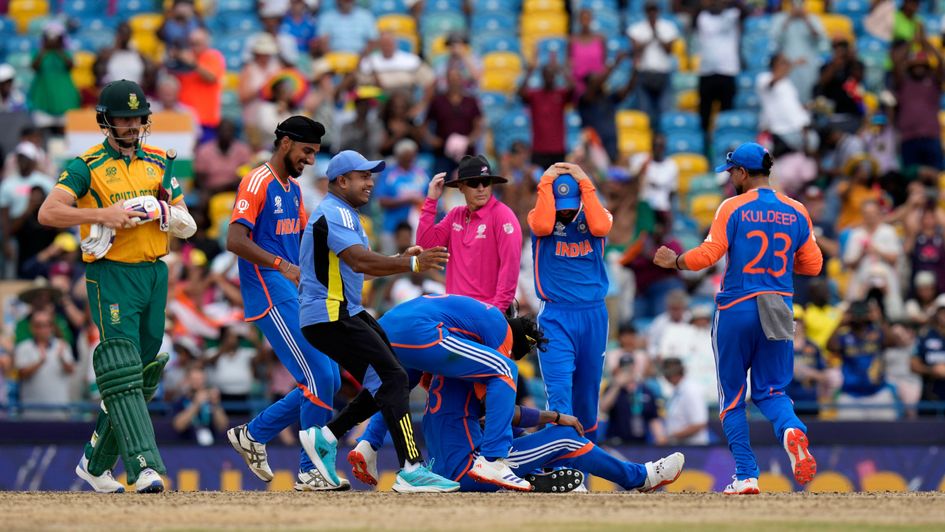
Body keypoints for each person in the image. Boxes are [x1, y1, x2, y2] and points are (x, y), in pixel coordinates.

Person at [38, 79, 197, 494]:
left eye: (136, 118)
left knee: (139, 375)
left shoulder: (159, 161)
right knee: (122, 367)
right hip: (111, 274)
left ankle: (94, 464)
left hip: (155, 272)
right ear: (105, 121)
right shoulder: (86, 165)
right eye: (122, 119)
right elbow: (48, 213)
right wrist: (102, 215)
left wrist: (164, 211)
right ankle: (144, 466)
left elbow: (186, 222)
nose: (130, 126)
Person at [653, 142, 823, 494]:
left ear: (743, 173)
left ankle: (746, 475)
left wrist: (675, 261)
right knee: (772, 391)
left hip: (737, 306)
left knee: (732, 397)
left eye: (732, 172)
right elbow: (813, 265)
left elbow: (708, 255)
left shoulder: (732, 206)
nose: (730, 178)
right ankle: (792, 429)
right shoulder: (797, 210)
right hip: (779, 305)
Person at [348, 324, 686, 493]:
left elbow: (494, 416)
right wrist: (555, 416)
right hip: (469, 469)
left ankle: (536, 476)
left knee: (514, 433)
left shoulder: (444, 361)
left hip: (440, 467)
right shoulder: (480, 365)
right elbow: (506, 413)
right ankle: (640, 477)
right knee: (565, 438)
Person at [295, 149, 456, 493]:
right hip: (332, 313)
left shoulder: (343, 213)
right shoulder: (335, 212)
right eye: (363, 176)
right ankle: (411, 468)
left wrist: (398, 258)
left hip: (341, 311)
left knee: (389, 379)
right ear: (342, 181)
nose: (370, 183)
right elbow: (360, 261)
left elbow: (355, 269)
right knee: (394, 377)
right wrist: (410, 264)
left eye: (371, 176)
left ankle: (327, 437)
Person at [223, 116, 346, 491]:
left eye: (315, 153)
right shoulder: (256, 181)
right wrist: (283, 265)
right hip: (268, 290)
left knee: (331, 376)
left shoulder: (293, 189)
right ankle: (310, 470)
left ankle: (254, 434)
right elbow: (234, 240)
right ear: (286, 143)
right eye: (307, 151)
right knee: (318, 376)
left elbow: (305, 242)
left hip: (294, 291)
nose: (310, 160)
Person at [350, 294, 553, 491]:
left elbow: (431, 379)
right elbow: (490, 404)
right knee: (506, 369)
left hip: (384, 328)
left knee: (399, 386)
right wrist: (548, 419)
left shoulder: (474, 319)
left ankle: (368, 444)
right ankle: (492, 459)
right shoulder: (502, 331)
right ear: (514, 344)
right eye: (512, 354)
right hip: (420, 330)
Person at [527, 163, 612, 444]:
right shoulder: (539, 217)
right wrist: (546, 181)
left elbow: (600, 226)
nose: (565, 212)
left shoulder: (597, 216)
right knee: (560, 392)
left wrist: (585, 181)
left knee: (587, 394)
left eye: (570, 205)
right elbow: (542, 225)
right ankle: (560, 461)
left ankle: (586, 460)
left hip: (593, 315)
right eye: (560, 205)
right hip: (556, 315)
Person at [418, 155, 522, 313]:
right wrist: (431, 200)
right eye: (474, 183)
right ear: (461, 187)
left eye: (485, 182)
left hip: (485, 313)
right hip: (454, 312)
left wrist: (495, 313)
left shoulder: (503, 216)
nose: (481, 188)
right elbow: (425, 246)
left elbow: (510, 270)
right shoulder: (455, 215)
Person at [828, 300, 898, 420]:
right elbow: (830, 346)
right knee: (846, 431)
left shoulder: (876, 333)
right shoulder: (845, 336)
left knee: (887, 431)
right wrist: (841, 322)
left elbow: (893, 342)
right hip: (851, 395)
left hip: (878, 393)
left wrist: (879, 319)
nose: (859, 315)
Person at [14, 309, 75, 420]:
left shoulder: (62, 345)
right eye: (38, 325)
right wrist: (39, 362)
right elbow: (21, 374)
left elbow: (71, 371)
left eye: (46, 325)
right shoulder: (23, 347)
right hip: (31, 414)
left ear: (52, 327)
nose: (43, 329)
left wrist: (62, 359)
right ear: (32, 328)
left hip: (59, 413)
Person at [627, 2, 679, 130]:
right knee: (644, 112)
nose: (652, 13)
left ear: (658, 11)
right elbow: (636, 51)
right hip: (644, 74)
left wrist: (656, 34)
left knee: (665, 111)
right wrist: (649, 37)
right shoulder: (637, 28)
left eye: (654, 10)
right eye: (649, 11)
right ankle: (647, 139)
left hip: (663, 73)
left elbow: (669, 50)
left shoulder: (668, 27)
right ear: (645, 12)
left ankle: (662, 138)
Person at [694, 0, 742, 137]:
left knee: (726, 115)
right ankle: (704, 143)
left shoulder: (732, 14)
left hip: (727, 71)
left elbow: (743, 10)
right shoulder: (702, 17)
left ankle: (725, 143)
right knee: (704, 115)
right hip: (706, 72)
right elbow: (696, 10)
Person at [424, 68, 483, 176]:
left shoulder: (471, 101)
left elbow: (478, 126)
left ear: (461, 80)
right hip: (443, 154)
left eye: (457, 78)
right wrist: (432, 140)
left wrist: (468, 141)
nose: (454, 81)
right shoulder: (438, 101)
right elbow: (424, 125)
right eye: (451, 79)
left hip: (467, 154)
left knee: (468, 182)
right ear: (447, 80)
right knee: (442, 182)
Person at [170, 28, 225, 143]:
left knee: (205, 150)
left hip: (206, 119)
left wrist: (192, 64)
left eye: (197, 44)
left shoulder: (213, 56)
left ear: (206, 43)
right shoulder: (185, 59)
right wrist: (173, 59)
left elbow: (211, 77)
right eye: (191, 43)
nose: (193, 47)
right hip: (184, 117)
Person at [519, 57, 574, 169]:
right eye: (546, 75)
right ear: (542, 76)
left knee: (558, 178)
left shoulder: (561, 94)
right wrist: (529, 73)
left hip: (557, 148)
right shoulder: (535, 95)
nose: (549, 78)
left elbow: (573, 89)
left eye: (551, 75)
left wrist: (562, 71)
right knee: (538, 178)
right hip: (539, 148)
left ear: (554, 76)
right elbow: (520, 93)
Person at [375, 139, 428, 253]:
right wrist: (407, 200)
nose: (410, 160)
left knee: (415, 262)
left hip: (416, 229)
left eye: (412, 156)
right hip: (391, 228)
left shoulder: (421, 173)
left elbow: (430, 198)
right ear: (398, 156)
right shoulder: (388, 174)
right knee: (389, 260)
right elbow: (382, 201)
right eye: (406, 157)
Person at [28, 21, 79, 134]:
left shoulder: (65, 54)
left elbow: (70, 65)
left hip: (63, 99)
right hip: (43, 99)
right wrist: (45, 49)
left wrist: (58, 49)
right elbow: (34, 67)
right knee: (41, 132)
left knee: (64, 132)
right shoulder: (38, 53)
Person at [600, 354, 661, 444]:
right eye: (624, 368)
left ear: (634, 368)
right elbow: (603, 407)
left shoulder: (645, 390)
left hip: (641, 442)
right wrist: (617, 385)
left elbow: (653, 417)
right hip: (616, 441)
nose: (627, 371)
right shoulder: (612, 388)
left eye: (630, 368)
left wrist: (660, 436)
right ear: (619, 369)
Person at [171, 365, 229, 445]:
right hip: (187, 446)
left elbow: (223, 426)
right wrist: (196, 404)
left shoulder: (211, 399)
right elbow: (178, 426)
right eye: (194, 379)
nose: (198, 382)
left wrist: (216, 405)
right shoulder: (180, 400)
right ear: (187, 380)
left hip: (212, 446)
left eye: (200, 379)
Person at [659, 358, 710, 445]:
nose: (665, 378)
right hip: (681, 447)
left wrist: (670, 437)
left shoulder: (691, 391)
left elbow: (699, 424)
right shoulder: (677, 391)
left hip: (693, 448)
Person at [914, 295, 945, 405]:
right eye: (942, 311)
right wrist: (931, 370)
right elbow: (913, 364)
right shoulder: (925, 335)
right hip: (931, 397)